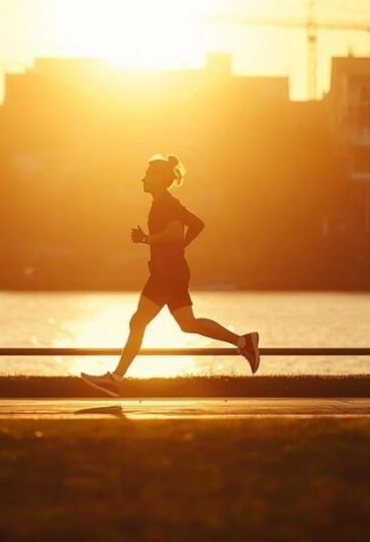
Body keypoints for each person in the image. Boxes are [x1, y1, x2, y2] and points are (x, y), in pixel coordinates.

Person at [80, 155, 260, 397]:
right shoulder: (170, 202)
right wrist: (180, 247)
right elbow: (197, 224)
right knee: (188, 324)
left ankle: (115, 379)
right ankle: (244, 342)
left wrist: (147, 239)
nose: (142, 178)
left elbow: (174, 232)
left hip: (166, 274)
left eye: (147, 174)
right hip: (173, 271)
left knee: (138, 322)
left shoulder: (164, 204)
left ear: (158, 178)